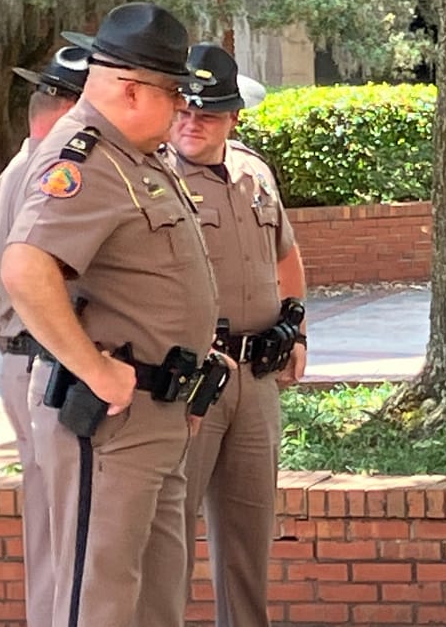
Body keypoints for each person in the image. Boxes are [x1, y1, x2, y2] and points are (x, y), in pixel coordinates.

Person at [0, 1, 219, 627]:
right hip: (113, 423)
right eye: (176, 93)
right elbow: (26, 269)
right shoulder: (87, 157)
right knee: (99, 602)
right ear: (131, 89)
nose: (185, 108)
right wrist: (95, 371)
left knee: (152, 602)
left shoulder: (137, 157)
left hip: (159, 414)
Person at [167, 43, 307, 627]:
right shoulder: (156, 180)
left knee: (248, 541)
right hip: (193, 378)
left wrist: (296, 328)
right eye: (183, 110)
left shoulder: (254, 172)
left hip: (257, 377)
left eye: (207, 113)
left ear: (234, 117)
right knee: (168, 538)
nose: (191, 123)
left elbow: (288, 255)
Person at [0, 46, 87, 627]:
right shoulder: (54, 180)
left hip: (24, 365)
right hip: (52, 367)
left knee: (49, 536)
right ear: (70, 108)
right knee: (72, 538)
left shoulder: (7, 180)